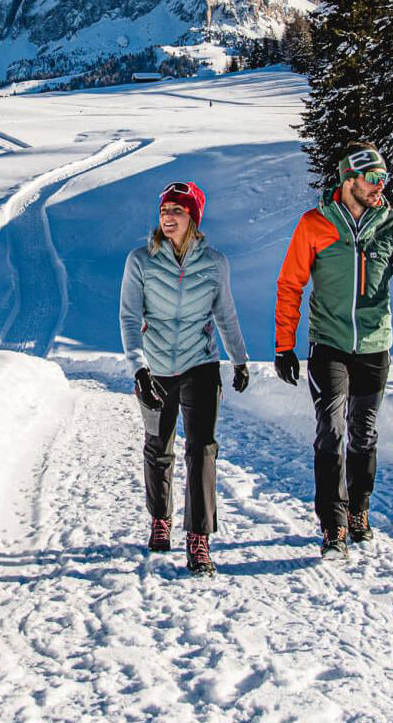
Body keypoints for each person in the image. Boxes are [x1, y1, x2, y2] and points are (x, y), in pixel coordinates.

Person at [272, 144, 393, 559]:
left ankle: (359, 511)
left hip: (376, 346)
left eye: (385, 179)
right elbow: (290, 284)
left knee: (364, 433)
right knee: (331, 430)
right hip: (328, 345)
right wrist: (284, 346)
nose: (381, 187)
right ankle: (333, 525)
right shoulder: (315, 225)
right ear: (350, 180)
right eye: (374, 179)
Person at [118, 181, 251, 576]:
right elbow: (128, 316)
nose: (168, 217)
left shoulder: (214, 263)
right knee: (158, 446)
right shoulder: (140, 260)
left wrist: (239, 360)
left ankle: (199, 538)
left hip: (200, 365)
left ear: (193, 217)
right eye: (164, 211)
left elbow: (226, 314)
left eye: (177, 210)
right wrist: (138, 368)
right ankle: (161, 518)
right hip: (155, 368)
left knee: (202, 448)